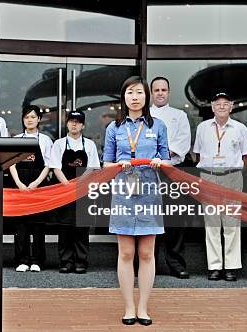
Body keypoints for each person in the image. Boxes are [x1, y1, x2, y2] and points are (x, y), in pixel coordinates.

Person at [104, 76, 168, 326]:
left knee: (146, 253)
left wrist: (160, 162)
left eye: (139, 92)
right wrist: (119, 165)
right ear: (124, 97)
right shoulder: (114, 128)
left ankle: (144, 308)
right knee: (126, 252)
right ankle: (129, 308)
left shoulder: (158, 126)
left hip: (150, 192)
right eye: (130, 92)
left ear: (146, 97)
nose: (134, 97)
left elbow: (168, 160)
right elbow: (106, 163)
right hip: (123, 193)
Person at [193, 92, 247, 282]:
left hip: (232, 178)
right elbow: (197, 155)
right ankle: (215, 266)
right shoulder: (202, 128)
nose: (222, 106)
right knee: (212, 224)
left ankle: (231, 267)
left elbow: (245, 157)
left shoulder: (240, 128)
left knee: (232, 223)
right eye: (218, 104)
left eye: (226, 103)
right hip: (208, 177)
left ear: (232, 106)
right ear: (212, 107)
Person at [149, 76, 191, 279]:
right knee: (149, 217)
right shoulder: (144, 115)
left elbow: (183, 143)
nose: (160, 93)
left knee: (175, 217)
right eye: (156, 90)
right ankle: (150, 264)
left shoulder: (180, 115)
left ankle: (176, 263)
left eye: (163, 90)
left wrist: (161, 158)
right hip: (147, 173)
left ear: (168, 92)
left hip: (173, 172)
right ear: (151, 92)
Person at [50, 110, 101, 274]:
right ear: (67, 123)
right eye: (71, 121)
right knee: (64, 228)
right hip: (63, 189)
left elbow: (92, 167)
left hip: (83, 189)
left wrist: (79, 182)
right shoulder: (58, 144)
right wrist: (66, 183)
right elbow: (55, 167)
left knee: (81, 228)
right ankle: (65, 262)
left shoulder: (90, 144)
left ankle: (81, 262)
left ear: (83, 125)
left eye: (78, 122)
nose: (74, 124)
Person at [9, 105, 53, 272]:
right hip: (19, 186)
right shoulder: (17, 139)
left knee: (38, 225)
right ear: (23, 119)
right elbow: (11, 163)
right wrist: (19, 183)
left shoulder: (46, 140)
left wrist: (36, 183)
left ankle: (37, 261)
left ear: (39, 119)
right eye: (27, 117)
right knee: (21, 226)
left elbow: (48, 165)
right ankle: (22, 260)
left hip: (39, 186)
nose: (30, 120)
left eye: (33, 117)